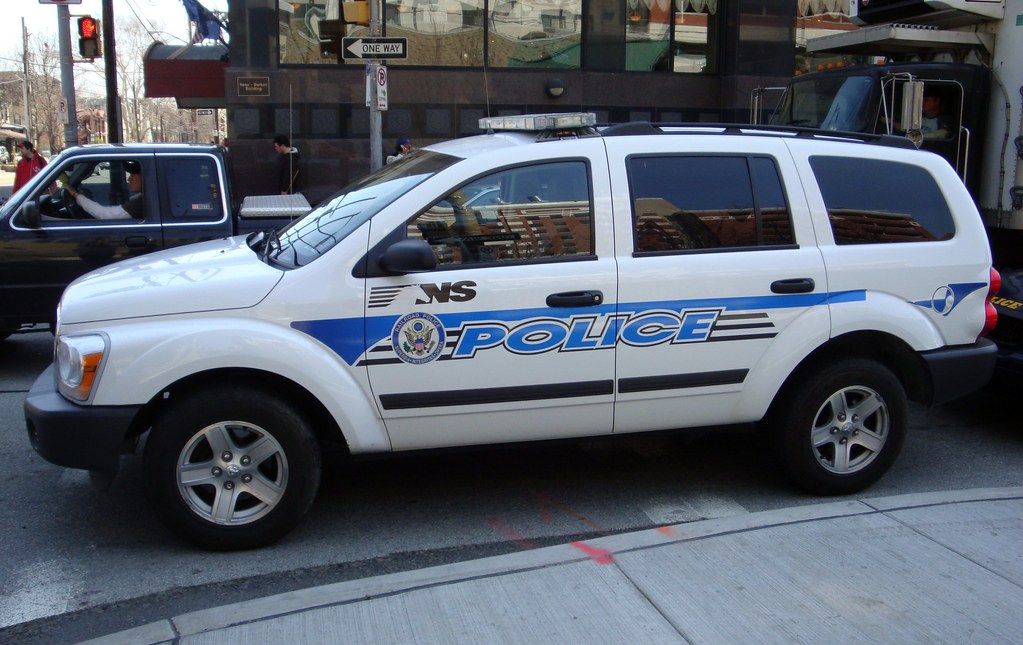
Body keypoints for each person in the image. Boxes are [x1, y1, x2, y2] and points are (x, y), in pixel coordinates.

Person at [62, 160, 143, 220]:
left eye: (132, 175)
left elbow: (106, 215)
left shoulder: (141, 201)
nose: (129, 179)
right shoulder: (143, 198)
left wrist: (75, 194)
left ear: (144, 177)